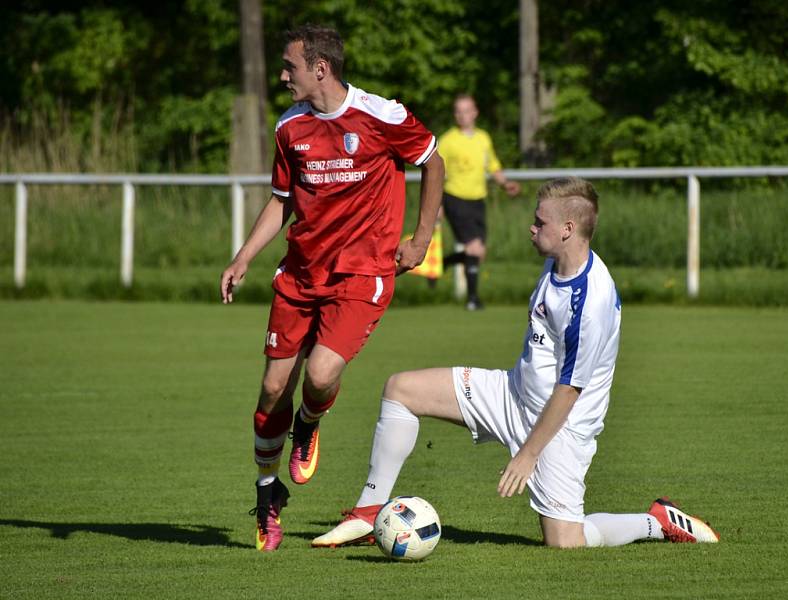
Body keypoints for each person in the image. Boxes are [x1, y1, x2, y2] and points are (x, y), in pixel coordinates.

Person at [313, 177, 719, 549]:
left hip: (561, 426)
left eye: (540, 222)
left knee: (566, 542)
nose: (532, 227)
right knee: (401, 390)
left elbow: (569, 390)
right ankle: (368, 513)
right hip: (512, 393)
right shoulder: (556, 261)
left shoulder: (591, 301)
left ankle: (657, 521)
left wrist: (528, 454)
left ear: (568, 229)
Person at [220, 24, 444, 553]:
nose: (283, 76)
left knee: (319, 374)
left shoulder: (382, 115)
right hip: (300, 275)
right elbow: (282, 200)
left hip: (362, 274)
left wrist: (421, 239)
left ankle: (309, 420)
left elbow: (432, 161)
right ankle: (267, 493)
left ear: (320, 68)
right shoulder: (289, 127)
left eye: (289, 66)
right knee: (273, 386)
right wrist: (243, 256)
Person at [437, 94, 521, 310]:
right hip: (455, 198)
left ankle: (442, 263)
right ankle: (473, 300)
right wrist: (437, 205)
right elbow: (436, 173)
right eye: (458, 110)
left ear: (475, 112)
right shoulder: (448, 141)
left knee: (479, 254)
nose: (463, 115)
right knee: (474, 248)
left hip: (477, 201)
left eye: (467, 110)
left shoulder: (483, 138)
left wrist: (506, 184)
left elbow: (493, 166)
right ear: (455, 114)